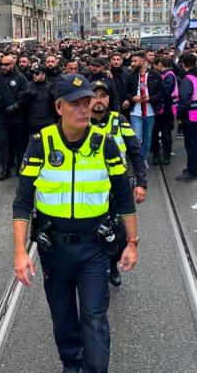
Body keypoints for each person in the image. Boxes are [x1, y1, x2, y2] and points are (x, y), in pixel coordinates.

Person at [12, 73, 138, 373]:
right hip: (54, 248)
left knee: (94, 317)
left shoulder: (105, 144)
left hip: (94, 247)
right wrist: (19, 251)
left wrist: (132, 243)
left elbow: (123, 197)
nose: (84, 109)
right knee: (63, 317)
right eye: (75, 104)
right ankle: (72, 365)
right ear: (58, 107)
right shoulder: (41, 144)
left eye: (87, 102)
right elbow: (22, 201)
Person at [90, 79, 146, 288]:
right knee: (92, 232)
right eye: (94, 95)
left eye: (103, 96)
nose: (99, 100)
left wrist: (142, 182)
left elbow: (135, 151)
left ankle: (113, 266)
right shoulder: (80, 122)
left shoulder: (119, 120)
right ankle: (96, 268)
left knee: (120, 233)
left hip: (118, 187)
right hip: (91, 188)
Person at [0, 55, 29, 179]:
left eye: (6, 65)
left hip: (16, 115)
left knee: (19, 144)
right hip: (1, 115)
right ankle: (5, 169)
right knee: (3, 143)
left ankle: (19, 168)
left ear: (13, 65)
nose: (3, 67)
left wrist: (16, 105)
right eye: (2, 64)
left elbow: (26, 94)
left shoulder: (20, 77)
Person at [176, 52, 197, 181]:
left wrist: (179, 116)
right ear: (196, 63)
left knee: (191, 146)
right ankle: (191, 168)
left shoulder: (187, 80)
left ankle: (191, 172)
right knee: (194, 143)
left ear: (183, 64)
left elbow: (185, 101)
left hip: (191, 117)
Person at [126, 51, 164, 162]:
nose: (132, 63)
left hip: (150, 111)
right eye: (132, 61)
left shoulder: (155, 74)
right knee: (137, 138)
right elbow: (126, 92)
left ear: (142, 61)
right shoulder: (131, 76)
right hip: (136, 112)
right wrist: (132, 98)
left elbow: (162, 91)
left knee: (147, 138)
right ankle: (138, 160)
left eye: (135, 61)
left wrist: (150, 98)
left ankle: (144, 159)